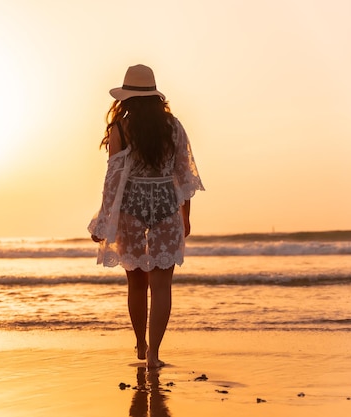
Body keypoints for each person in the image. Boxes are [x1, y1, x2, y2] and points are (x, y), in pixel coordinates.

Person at [88, 64, 204, 368]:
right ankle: (154, 354)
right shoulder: (173, 126)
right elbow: (184, 176)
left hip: (131, 205)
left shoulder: (120, 128)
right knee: (162, 285)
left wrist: (103, 220)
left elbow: (113, 179)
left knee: (137, 283)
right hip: (166, 202)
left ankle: (140, 342)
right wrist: (186, 216)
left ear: (126, 98)